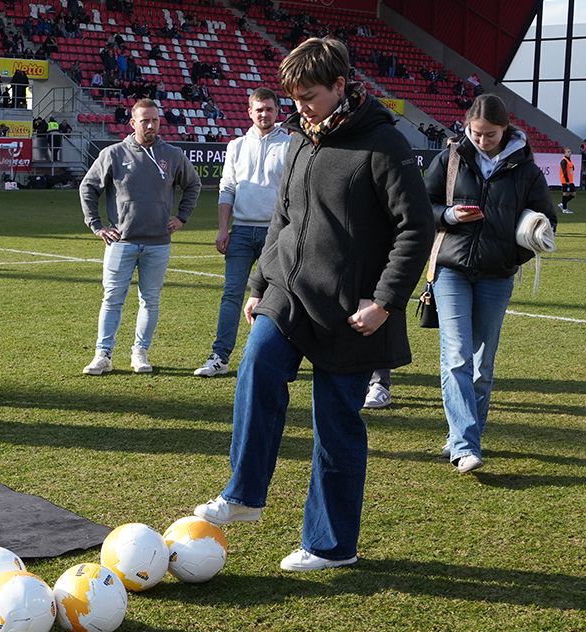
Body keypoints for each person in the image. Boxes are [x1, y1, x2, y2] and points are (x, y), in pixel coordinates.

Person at [192, 37, 434, 570]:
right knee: (256, 365)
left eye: (310, 96)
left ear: (341, 87)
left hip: (353, 313)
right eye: (294, 97)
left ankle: (331, 546)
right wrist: (259, 287)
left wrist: (386, 302)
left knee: (336, 423)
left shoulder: (384, 145)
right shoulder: (301, 139)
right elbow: (283, 219)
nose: (300, 107)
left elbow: (416, 228)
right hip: (289, 295)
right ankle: (243, 495)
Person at [424, 94, 557, 473]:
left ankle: (466, 437)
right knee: (456, 357)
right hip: (451, 269)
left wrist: (516, 253)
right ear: (468, 126)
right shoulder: (449, 158)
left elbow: (547, 223)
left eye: (491, 135)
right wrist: (449, 214)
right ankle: (465, 445)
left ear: (506, 128)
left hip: (498, 275)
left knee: (482, 367)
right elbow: (422, 205)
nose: (482, 141)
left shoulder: (527, 170)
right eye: (476, 134)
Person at [79, 98, 201, 375]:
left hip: (158, 243)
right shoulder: (114, 154)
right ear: (133, 123)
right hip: (121, 242)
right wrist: (97, 225)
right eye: (145, 120)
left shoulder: (172, 154)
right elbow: (88, 187)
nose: (151, 125)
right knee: (112, 300)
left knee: (151, 300)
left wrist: (182, 217)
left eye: (155, 120)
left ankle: (140, 352)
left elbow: (192, 184)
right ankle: (103, 355)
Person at [194, 87, 289, 378]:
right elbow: (227, 189)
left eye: (269, 109)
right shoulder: (235, 146)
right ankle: (219, 357)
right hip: (241, 231)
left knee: (279, 298)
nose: (264, 114)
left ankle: (274, 358)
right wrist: (223, 229)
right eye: (259, 109)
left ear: (277, 111)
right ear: (249, 112)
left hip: (276, 234)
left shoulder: (289, 144)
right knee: (231, 295)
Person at [559, 147, 576, 214]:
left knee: (573, 194)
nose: (569, 153)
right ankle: (564, 209)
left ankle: (562, 204)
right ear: (565, 153)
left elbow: (572, 169)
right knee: (565, 194)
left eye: (570, 152)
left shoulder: (569, 161)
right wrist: (567, 180)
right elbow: (564, 171)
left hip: (571, 180)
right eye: (568, 152)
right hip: (566, 180)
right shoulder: (564, 161)